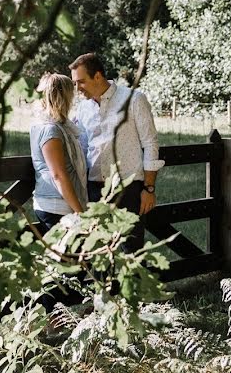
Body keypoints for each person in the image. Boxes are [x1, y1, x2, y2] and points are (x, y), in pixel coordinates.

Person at [69, 53, 164, 252]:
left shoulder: (134, 99)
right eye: (74, 83)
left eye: (81, 82)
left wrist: (149, 189)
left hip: (129, 190)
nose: (77, 89)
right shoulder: (83, 108)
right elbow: (83, 149)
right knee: (100, 254)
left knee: (131, 253)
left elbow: (150, 143)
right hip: (95, 191)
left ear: (98, 76)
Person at [30, 73, 88, 235]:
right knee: (69, 259)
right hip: (56, 206)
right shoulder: (50, 129)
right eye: (71, 94)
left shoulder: (48, 124)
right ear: (64, 97)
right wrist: (80, 213)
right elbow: (58, 175)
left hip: (58, 204)